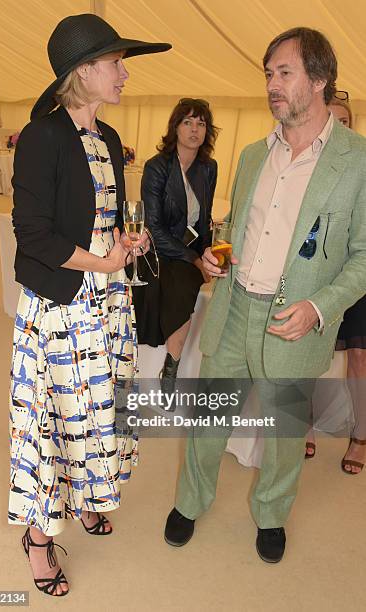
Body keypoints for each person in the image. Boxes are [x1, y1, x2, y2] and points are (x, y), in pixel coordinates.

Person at [164, 27, 366, 563]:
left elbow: (364, 255)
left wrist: (321, 306)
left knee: (283, 436)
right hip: (234, 307)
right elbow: (236, 225)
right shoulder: (254, 153)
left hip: (295, 321)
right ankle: (189, 502)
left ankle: (272, 516)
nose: (272, 85)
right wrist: (214, 255)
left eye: (284, 73)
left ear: (319, 80)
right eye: (268, 75)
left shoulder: (359, 160)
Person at [9, 13, 170, 597]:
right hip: (60, 308)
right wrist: (103, 261)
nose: (125, 74)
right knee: (49, 424)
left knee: (100, 412)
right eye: (115, 63)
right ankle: (38, 539)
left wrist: (125, 243)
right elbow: (35, 235)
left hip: (107, 301)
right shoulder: (42, 137)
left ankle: (88, 495)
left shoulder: (106, 139)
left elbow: (100, 219)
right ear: (83, 72)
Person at [133, 98, 218, 391]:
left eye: (201, 123)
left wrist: (207, 254)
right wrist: (194, 260)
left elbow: (204, 218)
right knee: (179, 285)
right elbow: (153, 227)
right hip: (159, 249)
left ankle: (171, 366)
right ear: (175, 127)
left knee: (184, 283)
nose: (195, 129)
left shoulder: (208, 168)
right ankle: (171, 371)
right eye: (188, 122)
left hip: (191, 250)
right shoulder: (157, 167)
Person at [305, 93, 366, 473]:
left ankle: (360, 435)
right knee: (309, 358)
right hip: (317, 275)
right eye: (335, 121)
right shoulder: (308, 162)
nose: (340, 127)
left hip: (357, 276)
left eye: (346, 122)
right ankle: (304, 426)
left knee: (360, 358)